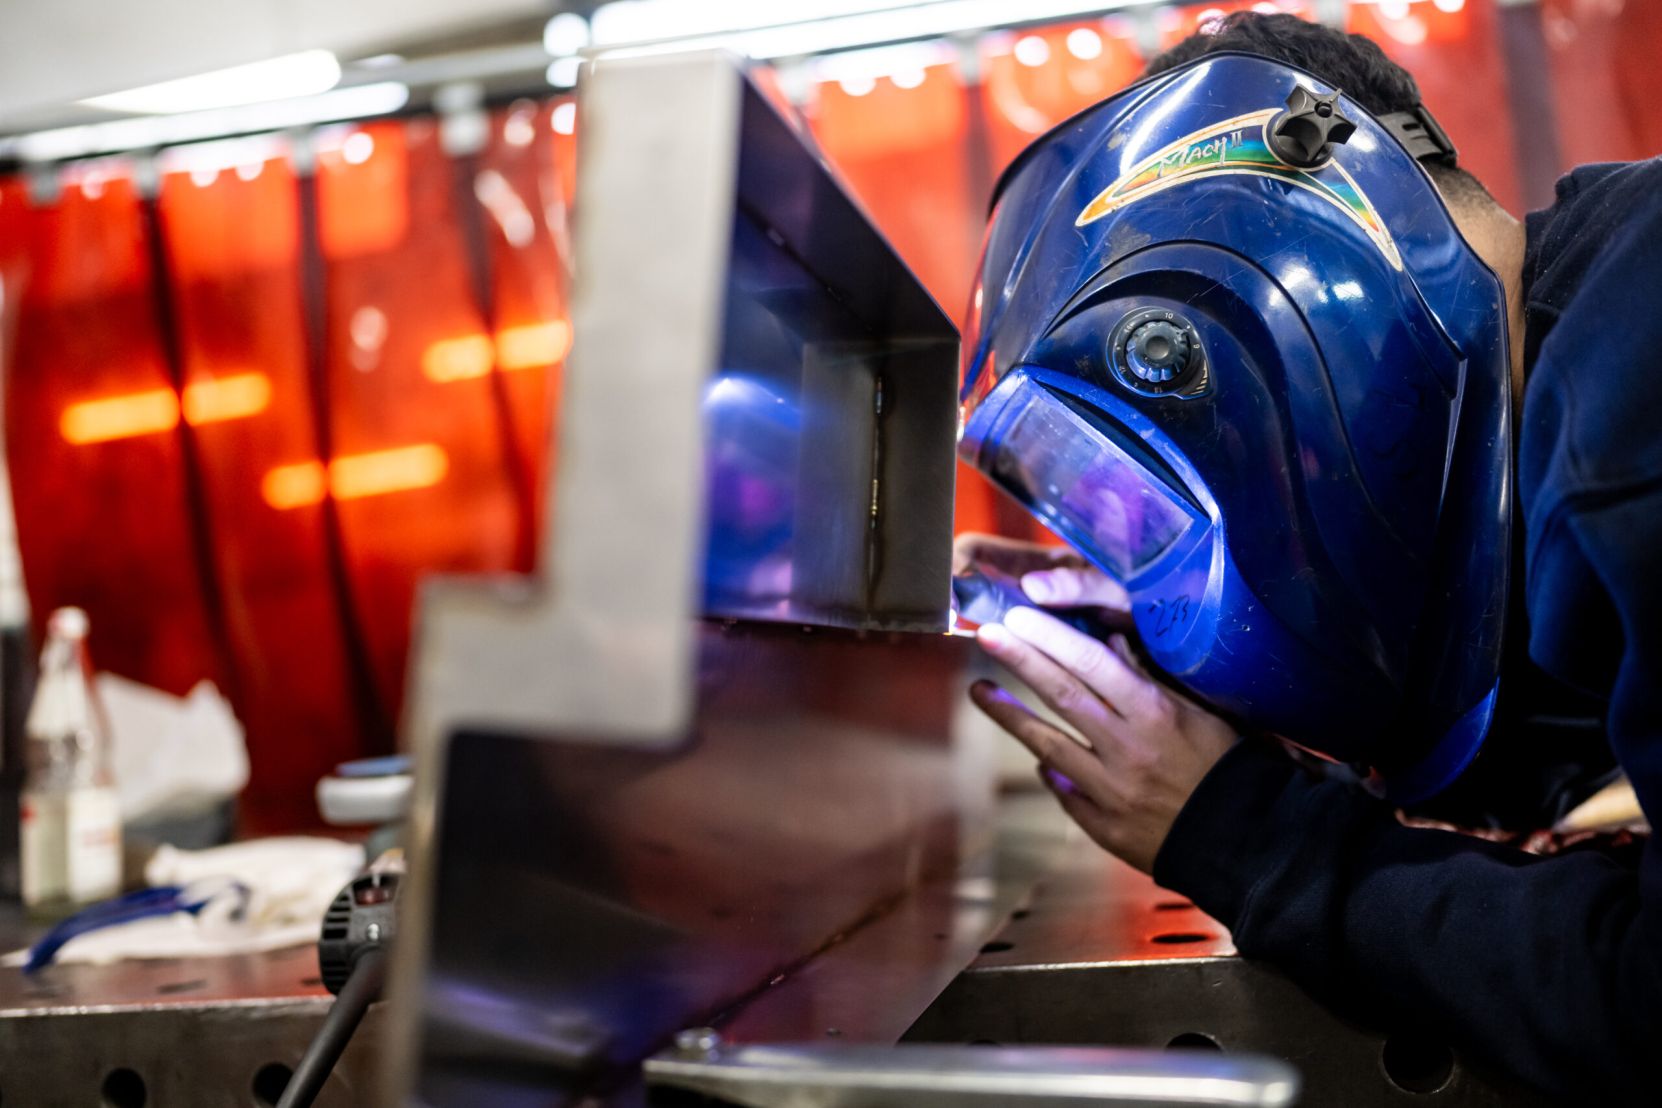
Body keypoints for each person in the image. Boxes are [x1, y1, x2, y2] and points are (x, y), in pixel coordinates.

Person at [960, 13, 1662, 1102]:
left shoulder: (1630, 424)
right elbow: (1563, 730)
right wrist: (1192, 668)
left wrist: (1246, 835)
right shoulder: (1604, 316)